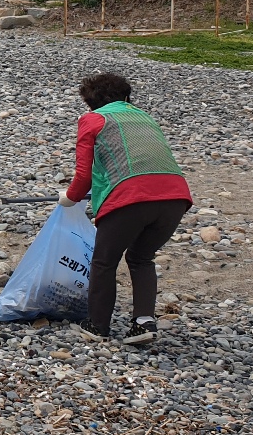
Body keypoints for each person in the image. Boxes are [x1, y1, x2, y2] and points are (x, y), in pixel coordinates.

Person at [61, 72, 192, 346]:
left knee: (104, 261)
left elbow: (84, 175)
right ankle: (143, 322)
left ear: (90, 102)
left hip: (131, 197)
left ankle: (98, 325)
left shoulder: (93, 119)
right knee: (142, 258)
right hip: (175, 197)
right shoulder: (145, 118)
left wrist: (70, 198)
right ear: (126, 96)